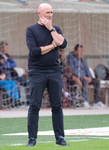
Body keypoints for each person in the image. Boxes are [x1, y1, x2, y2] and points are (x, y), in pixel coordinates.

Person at [26, 3, 68, 147]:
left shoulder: (55, 29)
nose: (50, 15)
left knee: (57, 105)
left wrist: (51, 29)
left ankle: (60, 138)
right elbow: (35, 51)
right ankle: (32, 139)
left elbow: (63, 44)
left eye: (51, 12)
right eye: (47, 13)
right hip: (37, 72)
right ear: (39, 14)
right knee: (34, 105)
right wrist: (52, 45)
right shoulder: (31, 30)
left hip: (54, 71)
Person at [67, 44, 105, 108]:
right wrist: (84, 77)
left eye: (82, 51)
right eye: (79, 51)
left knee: (97, 81)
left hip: (86, 76)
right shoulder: (71, 57)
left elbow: (86, 68)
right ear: (75, 51)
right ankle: (84, 101)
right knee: (85, 81)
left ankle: (96, 102)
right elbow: (73, 70)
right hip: (78, 76)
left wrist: (90, 77)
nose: (81, 53)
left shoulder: (83, 58)